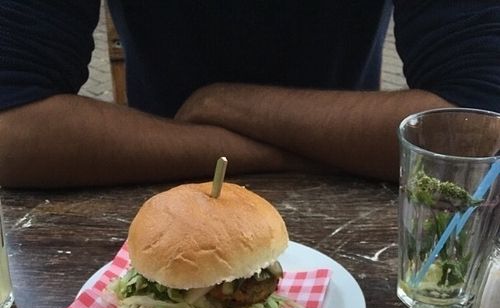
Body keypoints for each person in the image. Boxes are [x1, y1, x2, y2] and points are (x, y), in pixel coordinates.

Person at [0, 1, 499, 189]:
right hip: (151, 188)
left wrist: (224, 103)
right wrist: (286, 154)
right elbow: (11, 124)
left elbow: (482, 122)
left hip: (362, 201)